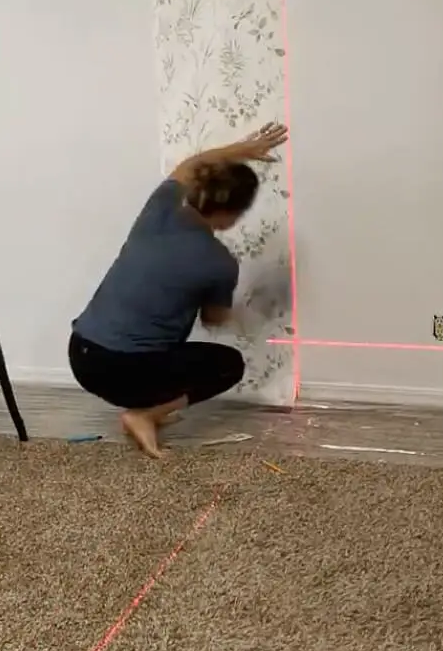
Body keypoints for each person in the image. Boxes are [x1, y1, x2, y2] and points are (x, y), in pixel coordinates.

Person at [69, 123, 289, 457]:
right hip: (122, 372)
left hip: (81, 353)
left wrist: (244, 150)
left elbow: (190, 164)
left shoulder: (160, 207)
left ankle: (146, 407)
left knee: (158, 348)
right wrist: (249, 307)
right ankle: (143, 415)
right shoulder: (219, 263)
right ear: (230, 215)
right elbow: (214, 320)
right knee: (228, 365)